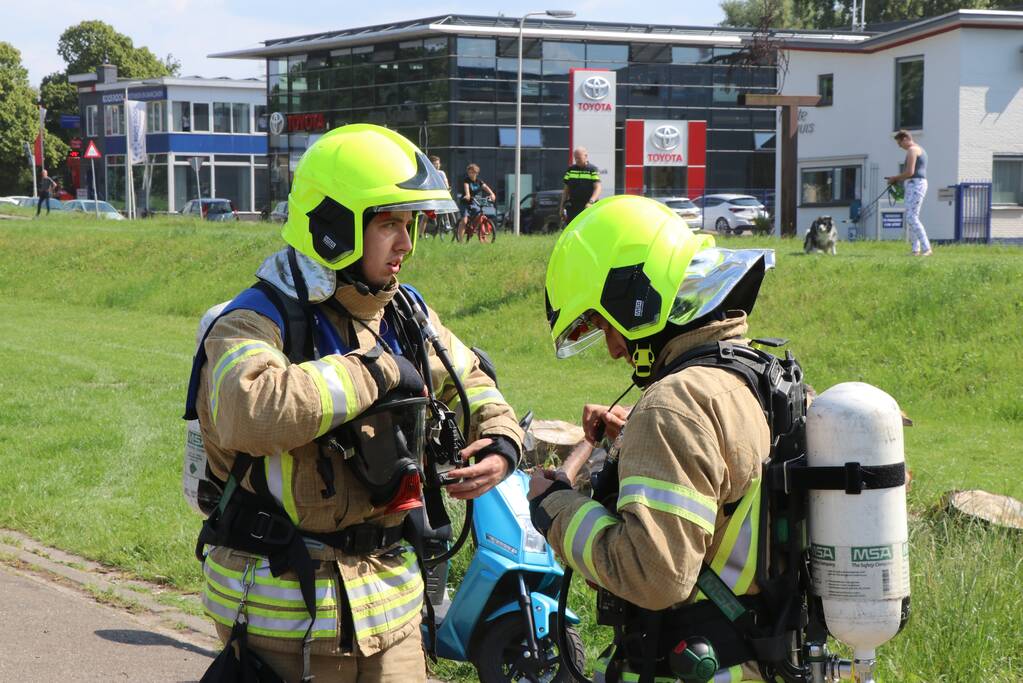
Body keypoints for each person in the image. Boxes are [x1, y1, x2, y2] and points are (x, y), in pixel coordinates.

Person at [187, 124, 523, 682]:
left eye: (410, 223)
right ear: (334, 227)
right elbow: (251, 410)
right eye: (389, 223)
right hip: (287, 622)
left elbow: (468, 380)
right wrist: (378, 370)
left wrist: (501, 440)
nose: (407, 244)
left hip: (390, 612)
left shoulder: (405, 313)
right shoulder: (253, 320)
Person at [529, 195, 776, 682]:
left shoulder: (675, 405)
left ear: (636, 301)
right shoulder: (758, 377)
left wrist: (555, 506)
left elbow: (654, 575)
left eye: (606, 324)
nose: (614, 349)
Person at [885, 130, 931, 256]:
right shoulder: (917, 149)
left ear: (905, 138)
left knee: (911, 217)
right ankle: (915, 250)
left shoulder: (912, 150)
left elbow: (910, 172)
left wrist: (895, 178)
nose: (900, 146)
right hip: (913, 183)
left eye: (900, 143)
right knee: (911, 217)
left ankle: (927, 248)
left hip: (916, 183)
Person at [560, 147, 602, 227]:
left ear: (586, 156)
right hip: (573, 207)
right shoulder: (570, 170)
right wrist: (561, 207)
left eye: (579, 158)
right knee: (572, 228)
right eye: (575, 158)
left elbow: (598, 187)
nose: (577, 160)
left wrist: (591, 202)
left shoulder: (592, 170)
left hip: (588, 207)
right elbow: (566, 190)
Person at [456, 163, 496, 242]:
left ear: (477, 173)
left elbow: (485, 187)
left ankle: (481, 236)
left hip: (475, 202)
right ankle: (460, 240)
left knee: (479, 217)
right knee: (464, 220)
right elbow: (466, 187)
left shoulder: (479, 181)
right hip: (465, 202)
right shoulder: (466, 180)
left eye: (473, 172)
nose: (471, 174)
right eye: (470, 172)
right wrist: (467, 195)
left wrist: (492, 194)